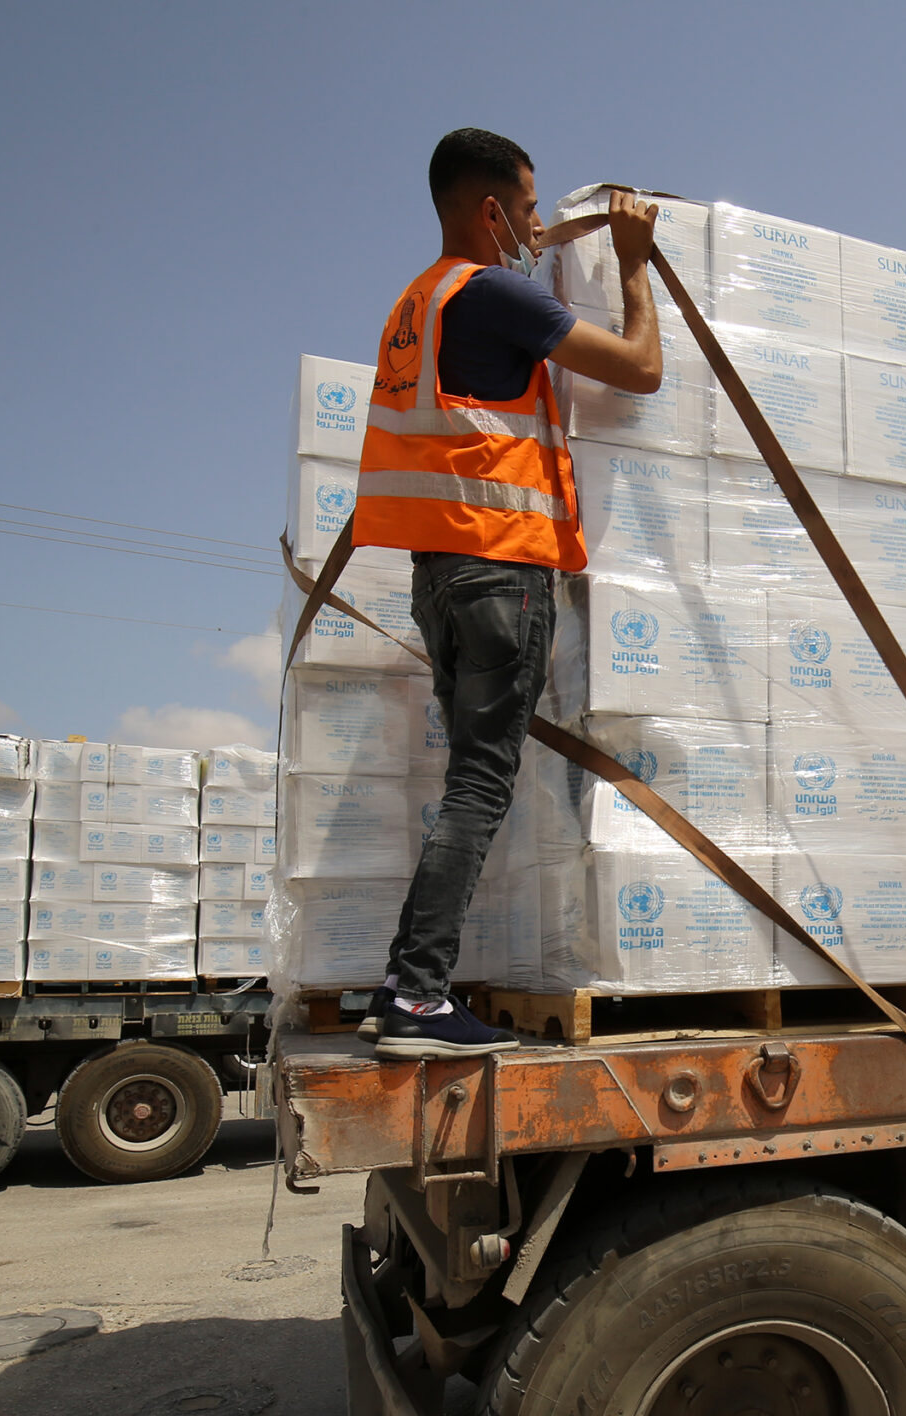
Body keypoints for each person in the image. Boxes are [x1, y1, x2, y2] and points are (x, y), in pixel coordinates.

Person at [354, 129, 663, 1058]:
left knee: (468, 781)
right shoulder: (493, 291)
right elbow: (640, 368)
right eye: (528, 209)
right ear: (492, 210)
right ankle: (415, 995)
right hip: (499, 565)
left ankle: (403, 988)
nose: (536, 226)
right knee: (481, 784)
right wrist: (634, 267)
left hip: (443, 575)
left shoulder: (418, 303)